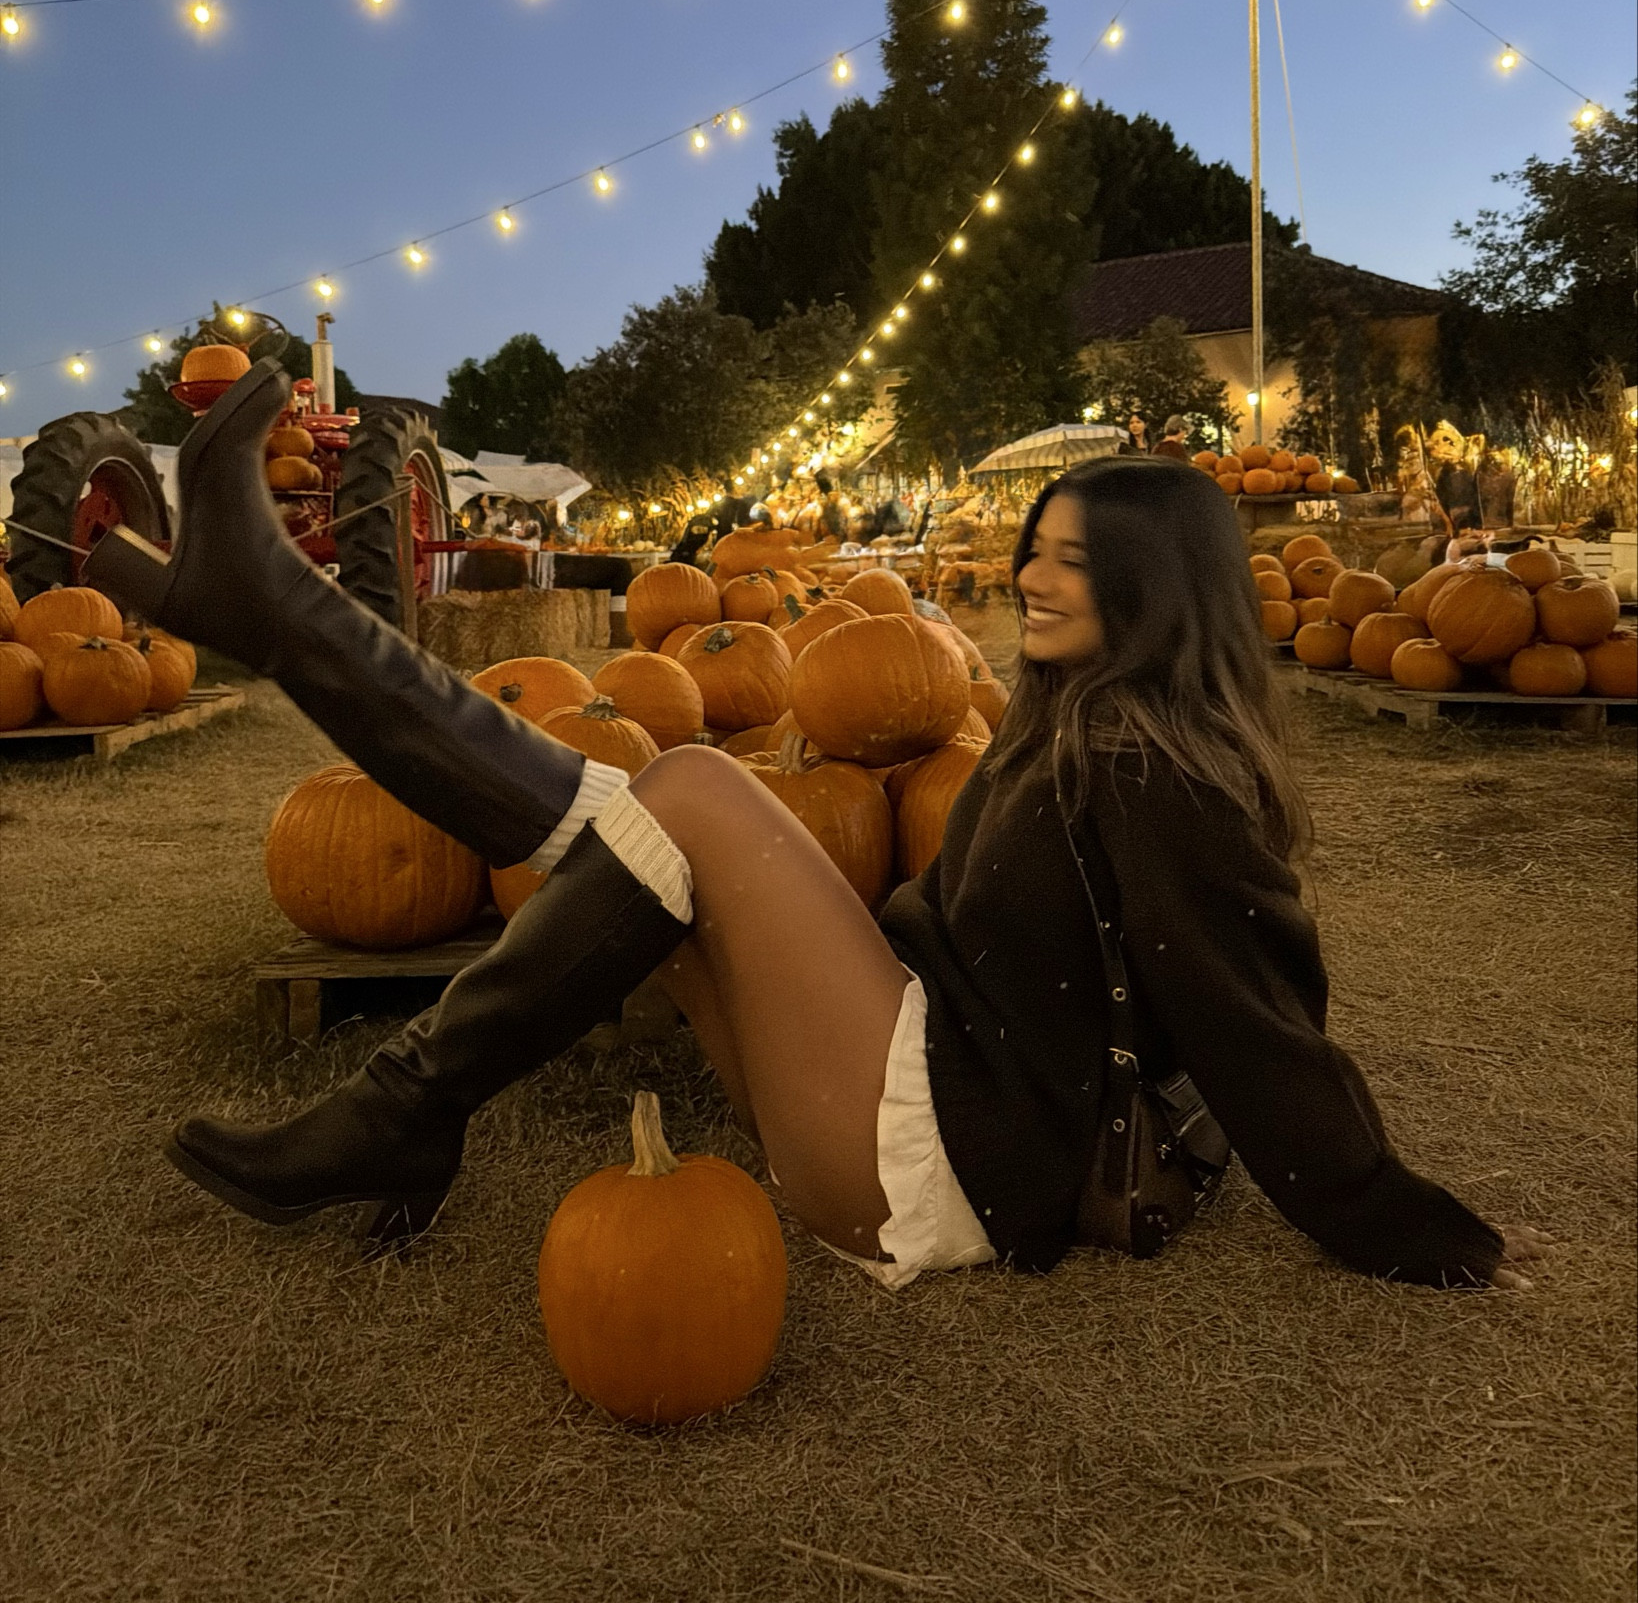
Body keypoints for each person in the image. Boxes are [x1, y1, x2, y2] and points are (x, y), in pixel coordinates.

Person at [85, 361, 1548, 1291]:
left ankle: (403, 1110)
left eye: (1070, 568)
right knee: (618, 814)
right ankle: (289, 627)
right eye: (1030, 555)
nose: (1030, 584)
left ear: (1160, 594)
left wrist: (1376, 1206)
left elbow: (1255, 1013)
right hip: (907, 1081)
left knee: (698, 790)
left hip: (944, 1158)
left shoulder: (1153, 766)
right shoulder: (1072, 728)